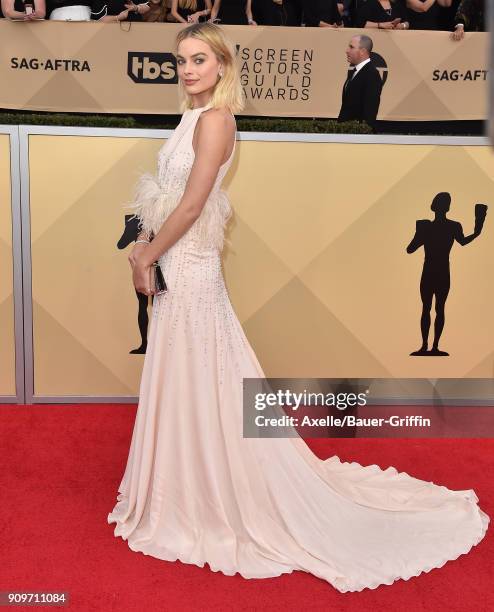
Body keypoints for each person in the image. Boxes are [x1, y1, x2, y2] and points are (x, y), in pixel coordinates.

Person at [107, 22, 489, 593]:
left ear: (222, 65)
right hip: (176, 261)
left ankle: (203, 487)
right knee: (192, 368)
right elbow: (170, 202)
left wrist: (144, 257)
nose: (188, 70)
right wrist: (149, 248)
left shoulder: (217, 120)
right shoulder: (191, 115)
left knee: (204, 367)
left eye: (199, 60)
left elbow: (191, 206)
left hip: (187, 263)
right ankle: (184, 480)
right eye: (182, 60)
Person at [406, 192, 487, 356]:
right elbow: (410, 249)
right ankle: (428, 346)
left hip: (436, 271)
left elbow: (463, 242)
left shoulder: (448, 226)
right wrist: (418, 232)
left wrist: (478, 230)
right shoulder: (432, 226)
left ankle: (431, 346)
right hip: (434, 271)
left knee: (434, 308)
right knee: (432, 308)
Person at [337, 35, 383, 128]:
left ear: (362, 51)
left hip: (356, 135)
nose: (347, 50)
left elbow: (370, 110)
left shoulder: (372, 74)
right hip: (345, 133)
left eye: (351, 47)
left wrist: (363, 134)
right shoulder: (354, 72)